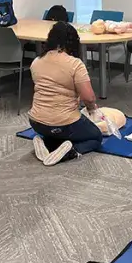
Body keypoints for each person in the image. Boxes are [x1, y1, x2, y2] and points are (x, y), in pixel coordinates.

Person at [27, 22, 103, 166]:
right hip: (64, 123)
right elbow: (89, 97)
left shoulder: (36, 62)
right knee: (95, 137)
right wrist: (92, 109)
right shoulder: (75, 64)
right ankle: (71, 151)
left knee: (56, 133)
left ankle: (46, 143)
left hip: (36, 122)